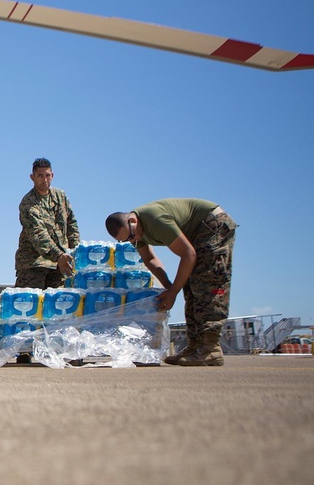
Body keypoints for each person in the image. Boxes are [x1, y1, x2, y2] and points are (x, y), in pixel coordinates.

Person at [105, 199, 236, 367]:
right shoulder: (135, 231)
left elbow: (188, 254)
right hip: (197, 233)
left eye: (131, 236)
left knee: (208, 284)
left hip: (212, 224)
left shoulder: (155, 220)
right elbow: (149, 258)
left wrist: (173, 291)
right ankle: (196, 346)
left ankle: (210, 349)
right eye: (126, 240)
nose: (133, 239)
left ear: (132, 220)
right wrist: (168, 287)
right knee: (190, 288)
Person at [15, 157, 80, 289]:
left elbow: (72, 225)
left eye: (47, 175)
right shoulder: (28, 203)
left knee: (58, 305)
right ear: (32, 177)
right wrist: (59, 255)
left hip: (60, 265)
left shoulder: (60, 196)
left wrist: (75, 252)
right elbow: (38, 234)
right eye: (40, 176)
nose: (44, 179)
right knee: (31, 305)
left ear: (52, 175)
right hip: (34, 264)